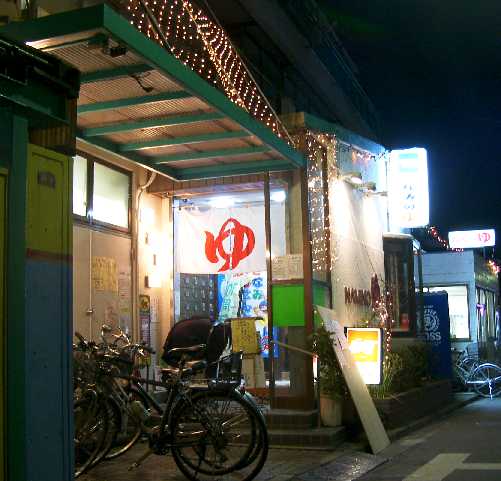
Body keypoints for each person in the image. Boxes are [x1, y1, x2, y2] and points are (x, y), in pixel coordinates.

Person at [162, 316, 231, 366]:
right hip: (182, 339)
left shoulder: (216, 325)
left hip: (182, 335)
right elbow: (211, 360)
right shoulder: (220, 334)